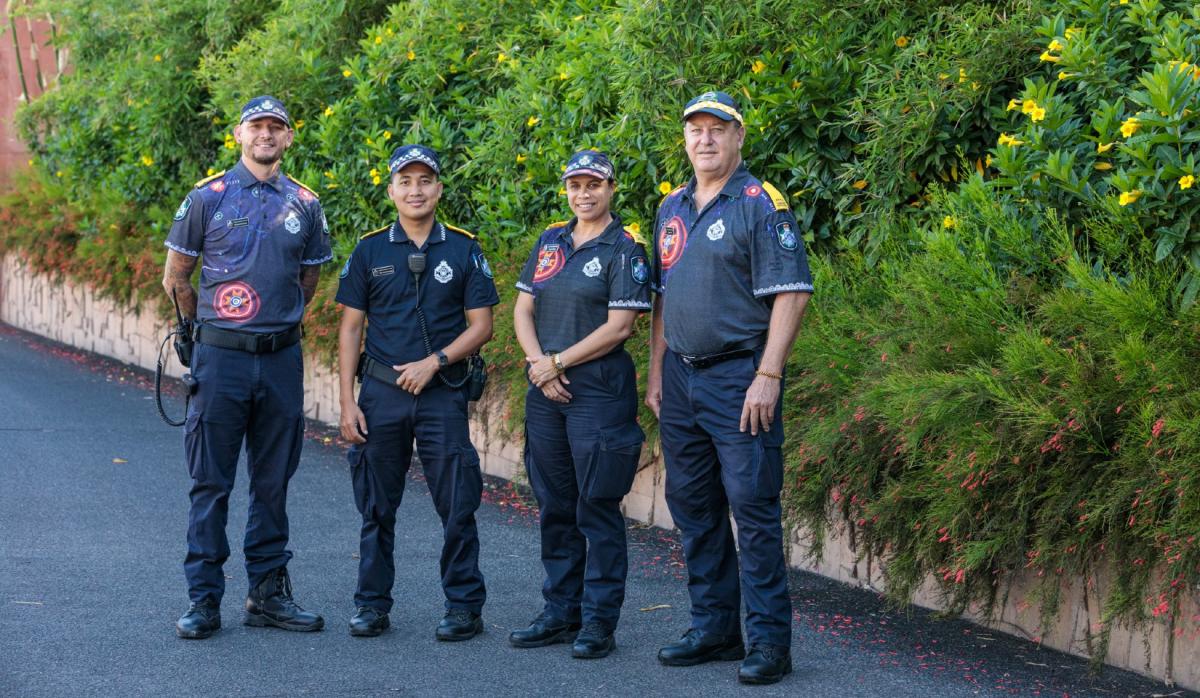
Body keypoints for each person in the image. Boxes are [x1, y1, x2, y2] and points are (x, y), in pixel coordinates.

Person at [646, 91, 813, 684]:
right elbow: (663, 296)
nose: (706, 139)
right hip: (682, 380)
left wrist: (768, 376)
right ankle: (715, 629)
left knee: (753, 507)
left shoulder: (760, 203)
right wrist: (657, 371)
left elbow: (791, 292)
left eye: (719, 129)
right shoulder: (671, 207)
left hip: (740, 377)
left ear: (739, 138)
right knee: (694, 507)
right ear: (685, 139)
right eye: (696, 130)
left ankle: (770, 643)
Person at [163, 95, 332, 639]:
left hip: (281, 360)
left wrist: (280, 324)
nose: (266, 134)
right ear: (240, 133)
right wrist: (197, 334)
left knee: (273, 481)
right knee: (211, 483)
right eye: (257, 125)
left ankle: (267, 594)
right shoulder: (206, 198)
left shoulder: (306, 205)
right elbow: (177, 277)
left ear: (288, 137)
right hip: (221, 359)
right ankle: (203, 599)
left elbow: (307, 282)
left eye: (276, 127)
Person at [335, 144, 498, 641]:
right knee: (376, 507)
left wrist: (436, 361)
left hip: (441, 393)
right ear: (391, 190)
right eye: (405, 181)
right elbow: (349, 329)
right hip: (381, 396)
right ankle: (371, 604)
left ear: (439, 189)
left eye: (425, 180)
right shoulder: (369, 250)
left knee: (457, 504)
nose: (415, 190)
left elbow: (483, 325)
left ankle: (464, 606)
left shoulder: (464, 249)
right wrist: (346, 401)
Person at [509, 150, 650, 659]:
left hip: (598, 391)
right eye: (575, 185)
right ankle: (560, 611)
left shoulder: (626, 246)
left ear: (611, 188)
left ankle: (598, 622)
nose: (584, 194)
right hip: (546, 390)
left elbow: (620, 326)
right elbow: (523, 307)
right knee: (555, 505)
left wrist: (557, 362)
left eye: (594, 185)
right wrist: (537, 365)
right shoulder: (552, 239)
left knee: (596, 506)